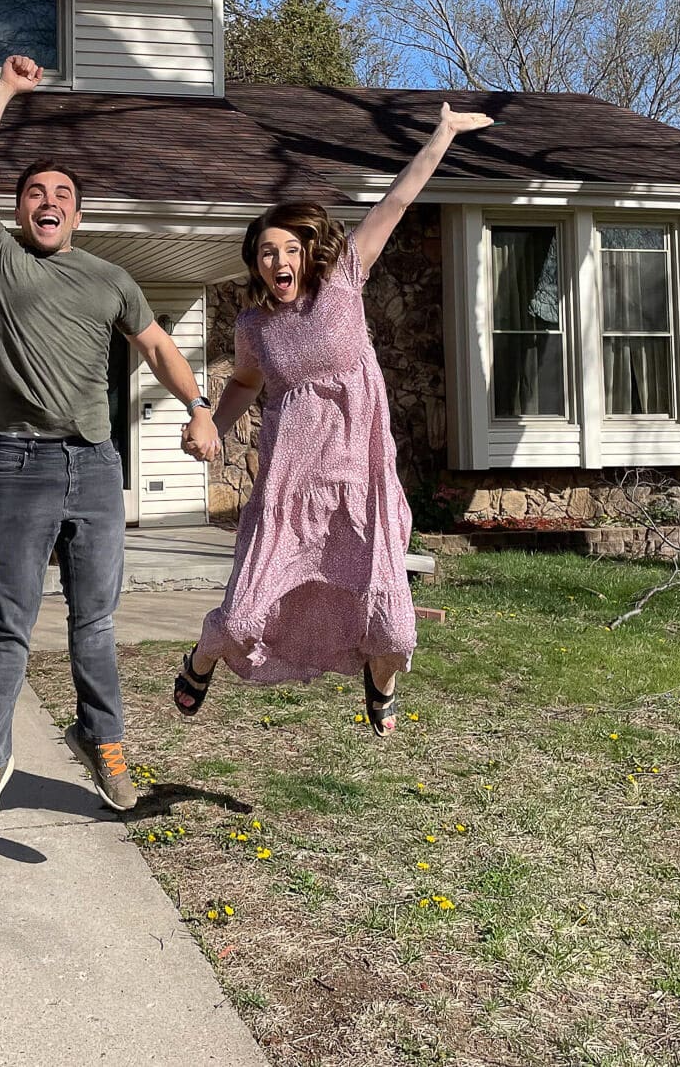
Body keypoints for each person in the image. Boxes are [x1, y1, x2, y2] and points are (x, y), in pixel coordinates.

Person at [0, 53, 219, 839]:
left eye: (63, 195)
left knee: (94, 623)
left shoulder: (110, 278)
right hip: (20, 464)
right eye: (36, 192)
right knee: (9, 623)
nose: (49, 201)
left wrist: (200, 407)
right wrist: (6, 89)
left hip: (98, 468)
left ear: (79, 213)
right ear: (18, 208)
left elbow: (161, 349)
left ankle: (103, 744)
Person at [176, 101, 493, 731]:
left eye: (288, 249)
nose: (277, 261)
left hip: (360, 481)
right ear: (256, 262)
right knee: (242, 615)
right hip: (291, 487)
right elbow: (243, 383)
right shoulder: (255, 327)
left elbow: (397, 203)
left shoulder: (345, 282)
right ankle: (203, 657)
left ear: (309, 252)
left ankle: (380, 687)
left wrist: (442, 136)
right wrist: (210, 417)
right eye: (266, 252)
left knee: (394, 624)